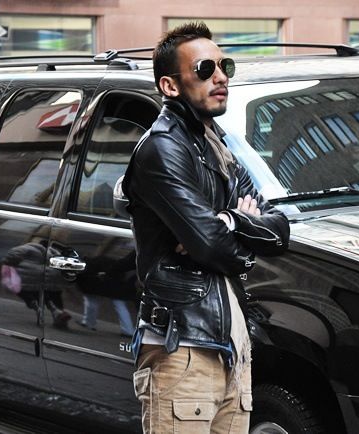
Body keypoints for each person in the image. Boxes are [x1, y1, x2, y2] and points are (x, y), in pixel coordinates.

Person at [122, 21, 290, 433]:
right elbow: (213, 247)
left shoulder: (218, 144)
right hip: (183, 349)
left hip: (231, 346)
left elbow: (279, 230)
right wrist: (234, 232)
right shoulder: (162, 148)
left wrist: (230, 220)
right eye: (204, 69)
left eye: (224, 66)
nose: (220, 77)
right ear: (170, 86)